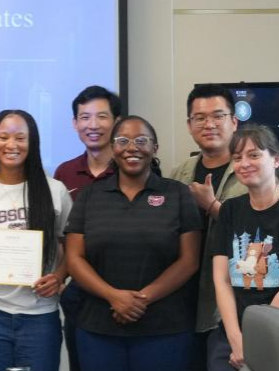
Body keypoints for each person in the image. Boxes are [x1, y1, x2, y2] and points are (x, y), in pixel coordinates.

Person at [64, 115, 202, 371]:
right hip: (97, 328)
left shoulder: (177, 194)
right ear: (112, 148)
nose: (131, 147)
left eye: (141, 140)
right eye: (122, 140)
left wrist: (141, 299)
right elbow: (74, 258)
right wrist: (114, 297)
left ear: (155, 148)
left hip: (165, 329)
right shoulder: (90, 195)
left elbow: (189, 260)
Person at [0, 109, 73, 371]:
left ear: (32, 143)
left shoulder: (55, 191)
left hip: (40, 315)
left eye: (20, 138)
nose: (11, 145)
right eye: (4, 137)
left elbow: (72, 247)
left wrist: (59, 276)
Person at [210, 124, 279, 371]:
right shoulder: (230, 210)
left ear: (276, 160)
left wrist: (255, 344)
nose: (244, 164)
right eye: (237, 158)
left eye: (254, 155)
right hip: (235, 337)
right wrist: (236, 339)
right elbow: (222, 280)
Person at [170, 84, 248, 368]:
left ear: (234, 121)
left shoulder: (250, 170)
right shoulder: (179, 173)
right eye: (200, 118)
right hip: (183, 302)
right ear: (189, 125)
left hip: (234, 305)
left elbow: (263, 230)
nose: (209, 124)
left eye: (218, 116)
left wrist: (213, 206)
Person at [53, 85, 121, 371]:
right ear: (74, 123)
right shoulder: (64, 173)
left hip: (124, 290)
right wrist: (60, 279)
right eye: (84, 117)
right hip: (79, 294)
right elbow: (61, 236)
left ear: (116, 121)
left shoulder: (132, 168)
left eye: (102, 116)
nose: (93, 125)